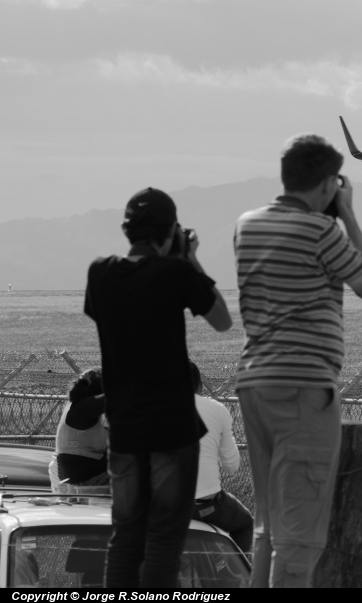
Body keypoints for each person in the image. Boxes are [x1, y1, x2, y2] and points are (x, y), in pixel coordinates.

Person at [234, 134, 362, 587]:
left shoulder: (247, 224)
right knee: (300, 537)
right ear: (326, 184)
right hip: (302, 386)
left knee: (269, 526)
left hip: (254, 380)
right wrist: (348, 214)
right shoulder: (322, 232)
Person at [84, 187, 232, 588]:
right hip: (171, 430)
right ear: (171, 233)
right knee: (166, 539)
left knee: (126, 537)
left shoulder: (99, 273)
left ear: (126, 230)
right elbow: (222, 320)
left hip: (125, 430)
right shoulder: (176, 272)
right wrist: (189, 257)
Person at [189, 360, 253, 553]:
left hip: (160, 504)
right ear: (200, 385)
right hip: (205, 504)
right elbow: (232, 465)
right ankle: (224, 573)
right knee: (244, 524)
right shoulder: (216, 409)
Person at [51, 367, 108, 494]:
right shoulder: (82, 409)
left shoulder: (78, 409)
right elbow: (116, 397)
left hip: (84, 479)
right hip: (85, 482)